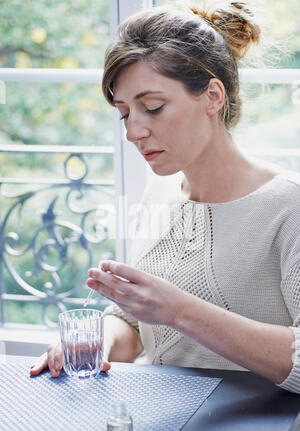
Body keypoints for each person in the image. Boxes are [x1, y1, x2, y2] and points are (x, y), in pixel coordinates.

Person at [30, 2, 300, 394]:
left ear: (212, 96)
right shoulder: (159, 193)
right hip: (162, 419)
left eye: (152, 108)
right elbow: (136, 323)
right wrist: (98, 341)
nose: (133, 132)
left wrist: (179, 311)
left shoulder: (288, 208)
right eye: (124, 113)